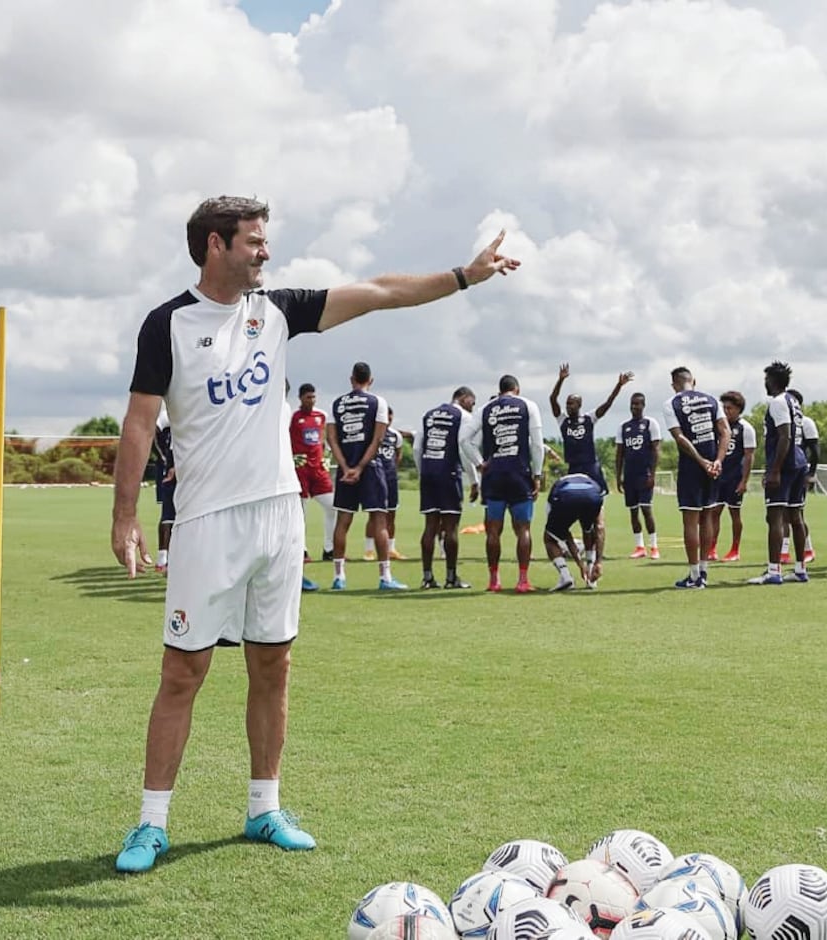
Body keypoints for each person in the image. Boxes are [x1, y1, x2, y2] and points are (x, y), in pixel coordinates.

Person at [109, 195, 519, 873]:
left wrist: (465, 276)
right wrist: (125, 517)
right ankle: (151, 824)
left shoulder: (278, 310)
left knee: (274, 664)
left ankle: (264, 808)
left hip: (278, 516)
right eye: (254, 242)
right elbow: (137, 423)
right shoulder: (168, 325)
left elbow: (380, 292)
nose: (265, 252)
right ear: (216, 246)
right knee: (184, 671)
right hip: (206, 522)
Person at [326, 364, 406, 590]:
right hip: (372, 467)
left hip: (345, 469)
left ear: (351, 379)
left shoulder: (337, 403)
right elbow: (378, 438)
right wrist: (360, 467)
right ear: (371, 380)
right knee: (379, 520)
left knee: (343, 521)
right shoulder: (378, 402)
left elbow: (331, 439)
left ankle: (339, 577)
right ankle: (385, 578)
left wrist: (346, 467)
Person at [464, 374, 545, 593]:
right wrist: (537, 475)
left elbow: (464, 439)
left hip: (494, 476)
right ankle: (522, 580)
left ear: (500, 391)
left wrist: (480, 464)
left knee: (493, 530)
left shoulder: (486, 409)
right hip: (519, 474)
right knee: (523, 529)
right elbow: (537, 445)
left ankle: (494, 580)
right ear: (517, 389)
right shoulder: (528, 406)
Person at [663, 366, 730, 589]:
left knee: (690, 520)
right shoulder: (712, 400)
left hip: (693, 466)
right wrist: (718, 460)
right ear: (694, 381)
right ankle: (703, 571)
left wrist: (701, 461)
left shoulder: (671, 403)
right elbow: (725, 431)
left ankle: (693, 576)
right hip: (714, 463)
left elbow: (679, 437)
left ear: (674, 385)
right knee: (708, 517)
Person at [413, 386, 480, 589]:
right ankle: (451, 578)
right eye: (472, 402)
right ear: (463, 398)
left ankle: (427, 577)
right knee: (451, 527)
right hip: (448, 472)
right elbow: (463, 448)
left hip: (429, 471)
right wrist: (474, 480)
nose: (473, 407)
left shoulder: (429, 415)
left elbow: (417, 447)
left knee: (430, 526)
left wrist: (422, 471)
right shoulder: (463, 417)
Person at [749, 363, 809, 585]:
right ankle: (800, 569)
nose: (764, 383)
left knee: (775, 516)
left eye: (766, 379)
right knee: (796, 516)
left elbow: (785, 436)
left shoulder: (777, 402)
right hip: (799, 462)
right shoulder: (793, 401)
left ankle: (774, 571)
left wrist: (774, 470)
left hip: (786, 465)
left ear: (772, 380)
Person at [548, 362, 634, 492]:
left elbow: (608, 403)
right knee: (574, 498)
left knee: (598, 498)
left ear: (579, 405)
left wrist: (619, 385)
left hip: (590, 466)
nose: (568, 406)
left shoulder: (589, 419)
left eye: (571, 404)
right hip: (574, 467)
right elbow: (553, 399)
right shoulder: (563, 420)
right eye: (567, 404)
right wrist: (560, 380)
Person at [289, 383, 336, 565]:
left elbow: (328, 438)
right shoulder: (293, 417)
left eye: (314, 397)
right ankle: (301, 550)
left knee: (333, 506)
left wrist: (327, 456)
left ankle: (329, 549)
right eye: (308, 397)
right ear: (301, 398)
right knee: (301, 512)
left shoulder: (321, 416)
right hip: (300, 469)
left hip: (318, 469)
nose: (312, 400)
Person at [710, 391, 756, 563]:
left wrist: (744, 481)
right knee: (714, 512)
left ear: (738, 409)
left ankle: (735, 550)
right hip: (718, 477)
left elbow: (749, 456)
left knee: (734, 513)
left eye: (730, 408)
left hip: (735, 477)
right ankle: (712, 549)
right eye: (724, 408)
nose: (726, 411)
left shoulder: (745, 428)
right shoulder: (719, 427)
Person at [614, 392, 662, 559]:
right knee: (633, 512)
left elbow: (656, 450)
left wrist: (652, 474)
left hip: (644, 474)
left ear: (643, 405)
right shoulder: (623, 427)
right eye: (632, 404)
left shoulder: (650, 424)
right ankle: (639, 546)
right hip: (629, 476)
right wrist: (618, 476)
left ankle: (654, 547)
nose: (634, 407)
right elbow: (619, 454)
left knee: (646, 510)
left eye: (638, 404)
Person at [543, 472, 606, 591]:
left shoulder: (558, 485)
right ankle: (592, 573)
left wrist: (579, 564)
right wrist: (599, 562)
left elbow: (565, 534)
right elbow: (600, 527)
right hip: (592, 495)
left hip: (564, 496)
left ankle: (566, 576)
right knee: (589, 530)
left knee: (549, 538)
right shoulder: (593, 483)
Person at [363, 407, 405, 561]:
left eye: (391, 416)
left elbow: (398, 454)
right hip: (375, 478)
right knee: (374, 515)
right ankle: (369, 550)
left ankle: (391, 549)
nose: (389, 418)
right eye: (386, 416)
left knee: (391, 515)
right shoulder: (372, 433)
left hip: (391, 479)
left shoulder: (396, 435)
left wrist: (392, 470)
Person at [786, 388, 820, 564]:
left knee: (797, 513)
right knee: (780, 513)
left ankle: (808, 549)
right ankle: (783, 551)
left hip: (799, 471)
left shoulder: (806, 422)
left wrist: (811, 474)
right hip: (784, 471)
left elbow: (814, 450)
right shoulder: (781, 420)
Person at [152, 406, 176, 574]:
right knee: (168, 514)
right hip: (171, 467)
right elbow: (151, 430)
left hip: (183, 466)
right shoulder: (167, 415)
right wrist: (163, 457)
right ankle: (163, 560)